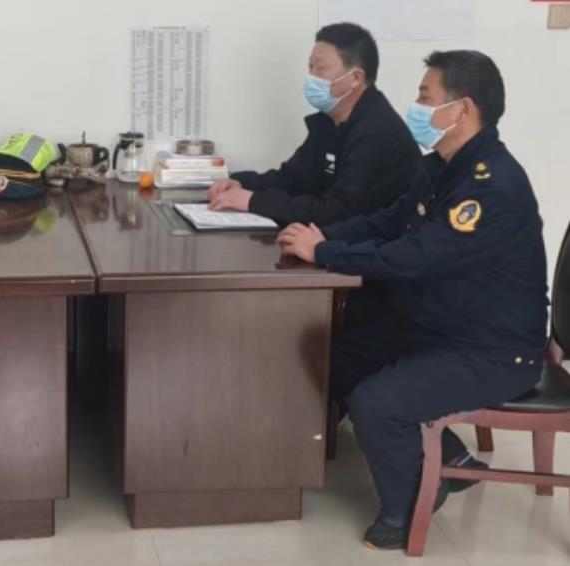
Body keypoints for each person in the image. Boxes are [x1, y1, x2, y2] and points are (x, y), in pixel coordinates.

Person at [276, 50, 548, 550]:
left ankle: (410, 506)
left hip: (493, 350)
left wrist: (325, 252)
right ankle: (449, 457)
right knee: (335, 359)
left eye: (426, 96)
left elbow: (413, 257)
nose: (416, 106)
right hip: (442, 326)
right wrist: (322, 236)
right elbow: (388, 222)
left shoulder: (490, 186)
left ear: (462, 110)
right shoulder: (441, 167)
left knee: (376, 402)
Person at [208, 22, 419, 229]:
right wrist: (241, 183)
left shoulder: (377, 132)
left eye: (321, 69)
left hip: (378, 244)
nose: (312, 77)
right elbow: (292, 178)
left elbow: (336, 211)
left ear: (355, 78)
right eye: (310, 67)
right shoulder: (329, 121)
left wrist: (253, 201)